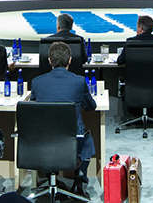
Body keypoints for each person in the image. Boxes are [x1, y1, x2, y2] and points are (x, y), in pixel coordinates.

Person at [30, 41, 96, 196]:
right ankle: (79, 179)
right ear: (70, 60)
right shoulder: (79, 82)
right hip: (72, 142)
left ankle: (50, 178)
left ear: (49, 60)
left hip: (43, 142)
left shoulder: (37, 83)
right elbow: (90, 107)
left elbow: (32, 109)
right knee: (88, 139)